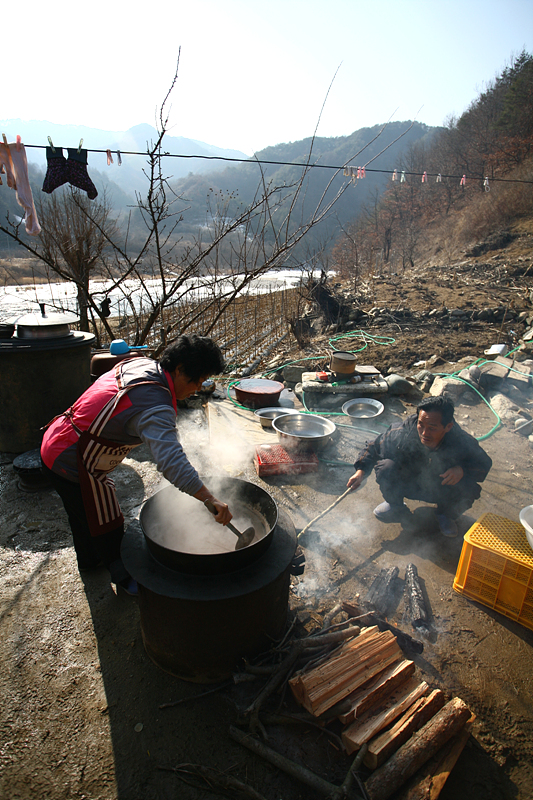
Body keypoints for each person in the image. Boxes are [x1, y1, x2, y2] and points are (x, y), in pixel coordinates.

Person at [41, 334, 232, 595]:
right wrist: (209, 498)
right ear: (178, 370)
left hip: (56, 438)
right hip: (70, 460)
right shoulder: (155, 404)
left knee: (81, 515)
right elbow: (171, 463)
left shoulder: (142, 364)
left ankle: (88, 562)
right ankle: (128, 582)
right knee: (107, 525)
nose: (198, 388)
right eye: (196, 380)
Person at [346, 395, 492, 538]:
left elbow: (484, 463)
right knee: (386, 468)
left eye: (432, 428)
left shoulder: (461, 442)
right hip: (411, 483)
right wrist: (360, 471)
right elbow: (373, 446)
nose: (424, 433)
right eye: (421, 424)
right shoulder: (403, 433)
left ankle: (445, 515)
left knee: (469, 488)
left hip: (441, 488)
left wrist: (462, 470)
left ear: (448, 426)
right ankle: (396, 507)